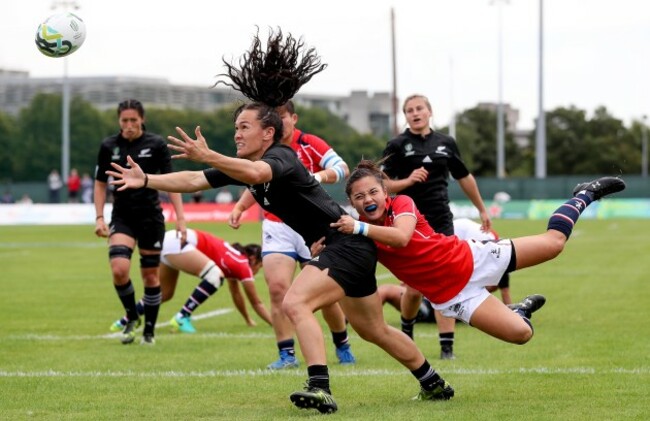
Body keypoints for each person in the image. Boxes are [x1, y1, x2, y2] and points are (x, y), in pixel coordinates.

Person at [106, 28, 454, 414]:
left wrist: (212, 157)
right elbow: (192, 180)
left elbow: (254, 175)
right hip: (345, 247)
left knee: (295, 302)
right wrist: (147, 179)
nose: (236, 134)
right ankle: (433, 382)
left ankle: (319, 386)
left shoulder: (281, 158)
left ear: (268, 133)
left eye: (244, 128)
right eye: (236, 127)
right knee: (374, 330)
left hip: (346, 244)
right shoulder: (249, 163)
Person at [331, 160, 625, 357]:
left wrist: (356, 226)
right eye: (359, 197)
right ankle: (518, 311)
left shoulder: (401, 204)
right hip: (452, 297)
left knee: (554, 244)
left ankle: (585, 193)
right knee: (521, 334)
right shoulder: (360, 232)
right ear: (352, 203)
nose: (368, 199)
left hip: (471, 259)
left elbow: (402, 237)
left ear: (385, 192)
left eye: (373, 192)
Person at [229, 99, 356, 369]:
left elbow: (342, 168)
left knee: (323, 296)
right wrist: (240, 207)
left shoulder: (309, 143)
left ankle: (341, 341)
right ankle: (286, 353)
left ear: (293, 118)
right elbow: (255, 179)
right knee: (277, 289)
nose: (277, 122)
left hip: (313, 225)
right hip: (278, 226)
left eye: (282, 116)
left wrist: (315, 178)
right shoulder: (261, 151)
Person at [381, 94, 492, 360]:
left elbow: (464, 177)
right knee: (414, 288)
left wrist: (482, 209)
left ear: (429, 112)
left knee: (446, 282)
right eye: (409, 110)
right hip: (409, 221)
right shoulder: (397, 144)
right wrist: (407, 181)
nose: (415, 113)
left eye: (419, 108)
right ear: (405, 116)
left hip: (442, 220)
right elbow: (381, 183)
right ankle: (407, 329)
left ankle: (447, 348)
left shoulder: (446, 143)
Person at [94, 98, 187, 345]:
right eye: (124, 120)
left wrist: (180, 218)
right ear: (119, 121)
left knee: (150, 278)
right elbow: (101, 183)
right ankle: (132, 315)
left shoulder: (156, 144)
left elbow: (172, 181)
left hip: (150, 218)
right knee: (119, 269)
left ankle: (149, 331)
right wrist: (100, 217)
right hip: (122, 217)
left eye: (134, 120)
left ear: (142, 119)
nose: (129, 125)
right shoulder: (109, 145)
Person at [110, 228, 272, 331]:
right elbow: (256, 302)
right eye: (260, 266)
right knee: (215, 276)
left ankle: (125, 320)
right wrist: (276, 323)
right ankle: (182, 317)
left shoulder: (235, 259)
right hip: (180, 242)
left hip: (171, 239)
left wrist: (248, 320)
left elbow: (236, 294)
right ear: (252, 258)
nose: (258, 271)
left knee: (164, 294)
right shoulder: (243, 265)